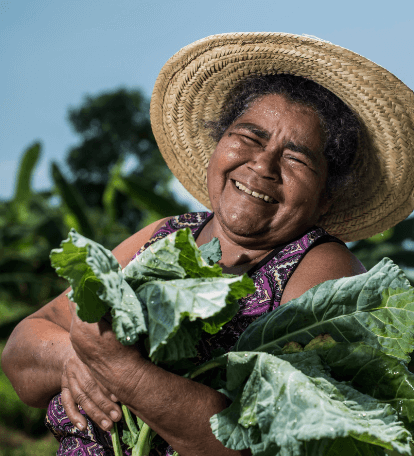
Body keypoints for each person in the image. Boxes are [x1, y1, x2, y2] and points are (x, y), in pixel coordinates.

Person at [2, 32, 414, 456]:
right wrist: (74, 358)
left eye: (297, 159)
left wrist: (119, 368)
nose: (262, 165)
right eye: (249, 137)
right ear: (219, 143)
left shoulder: (323, 268)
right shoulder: (166, 235)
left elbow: (268, 441)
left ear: (327, 195)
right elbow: (22, 350)